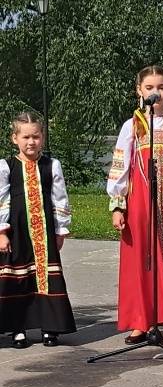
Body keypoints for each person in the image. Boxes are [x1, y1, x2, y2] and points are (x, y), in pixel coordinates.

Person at [107, 65, 163, 345]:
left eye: (161, 87)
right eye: (149, 88)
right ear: (139, 91)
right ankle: (140, 319)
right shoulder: (133, 126)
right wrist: (117, 204)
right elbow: (121, 165)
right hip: (141, 203)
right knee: (141, 259)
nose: (155, 93)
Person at [0, 112, 76, 348]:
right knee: (17, 277)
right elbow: (1, 199)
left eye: (35, 136)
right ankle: (18, 329)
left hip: (44, 232)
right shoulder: (6, 166)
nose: (31, 142)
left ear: (42, 137)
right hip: (17, 232)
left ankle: (50, 327)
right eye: (25, 137)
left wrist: (61, 229)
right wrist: (1, 231)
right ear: (15, 138)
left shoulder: (51, 165)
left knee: (46, 278)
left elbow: (59, 198)